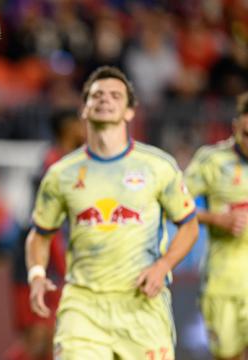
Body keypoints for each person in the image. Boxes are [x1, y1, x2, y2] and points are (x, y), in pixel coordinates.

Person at [25, 66, 199, 359]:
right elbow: (40, 234)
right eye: (97, 95)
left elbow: (190, 225)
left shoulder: (158, 166)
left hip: (142, 305)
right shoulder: (60, 174)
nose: (105, 100)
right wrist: (37, 275)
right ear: (84, 109)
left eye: (115, 96)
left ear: (130, 112)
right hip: (83, 306)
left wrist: (163, 266)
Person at [6, 109, 84, 360]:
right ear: (68, 128)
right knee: (39, 340)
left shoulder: (66, 163)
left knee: (50, 342)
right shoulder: (54, 166)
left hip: (52, 261)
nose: (86, 128)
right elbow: (47, 225)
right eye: (80, 123)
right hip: (38, 262)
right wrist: (64, 269)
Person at [184, 92, 248, 360]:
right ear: (235, 127)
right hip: (222, 278)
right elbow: (178, 205)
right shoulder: (211, 160)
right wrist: (216, 218)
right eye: (246, 133)